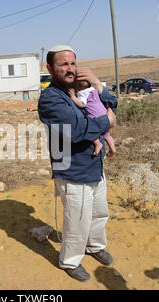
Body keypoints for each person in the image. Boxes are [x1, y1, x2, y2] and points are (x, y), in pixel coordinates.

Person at [38, 45, 118, 282]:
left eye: (72, 63)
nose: (70, 69)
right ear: (50, 68)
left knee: (99, 213)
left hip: (94, 165)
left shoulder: (81, 87)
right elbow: (76, 131)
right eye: (63, 64)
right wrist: (108, 119)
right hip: (72, 169)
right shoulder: (50, 98)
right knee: (77, 221)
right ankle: (69, 260)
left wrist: (98, 83)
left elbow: (112, 102)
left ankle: (94, 246)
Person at [68, 79, 116, 157]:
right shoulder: (93, 90)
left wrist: (73, 97)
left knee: (89, 130)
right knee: (107, 134)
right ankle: (113, 148)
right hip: (103, 112)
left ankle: (97, 143)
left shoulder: (82, 93)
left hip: (94, 114)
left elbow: (81, 104)